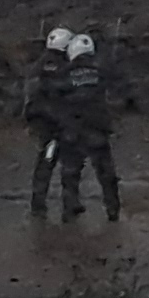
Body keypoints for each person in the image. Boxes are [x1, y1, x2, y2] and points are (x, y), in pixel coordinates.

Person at [56, 31, 123, 221]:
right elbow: (114, 92)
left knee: (70, 173)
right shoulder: (100, 72)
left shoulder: (63, 73)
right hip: (96, 129)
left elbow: (55, 98)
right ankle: (113, 208)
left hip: (72, 129)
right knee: (105, 173)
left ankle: (70, 209)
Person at [24, 27, 75, 220]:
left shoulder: (40, 64)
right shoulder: (63, 66)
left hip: (44, 121)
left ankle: (39, 202)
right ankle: (67, 203)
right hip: (58, 122)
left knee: (45, 164)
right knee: (66, 164)